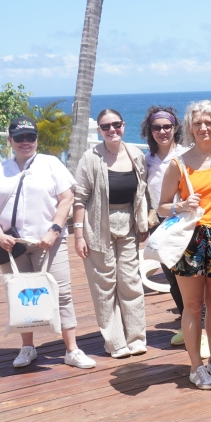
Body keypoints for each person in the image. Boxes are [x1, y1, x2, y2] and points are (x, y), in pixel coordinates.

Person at [0, 117, 95, 370]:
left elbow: (66, 198)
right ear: (9, 140)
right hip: (12, 244)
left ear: (36, 139)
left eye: (30, 137)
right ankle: (27, 348)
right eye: (19, 137)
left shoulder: (50, 164)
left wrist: (54, 230)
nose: (26, 142)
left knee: (62, 294)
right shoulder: (0, 170)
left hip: (49, 242)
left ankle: (72, 350)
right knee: (19, 295)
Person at [159, 101, 211, 390]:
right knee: (193, 306)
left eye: (209, 122)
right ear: (190, 128)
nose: (203, 128)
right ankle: (196, 366)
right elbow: (160, 207)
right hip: (191, 239)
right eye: (198, 123)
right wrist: (179, 205)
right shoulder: (178, 164)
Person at [72, 108, 150, 358]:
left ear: (124, 126)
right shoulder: (91, 158)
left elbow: (141, 193)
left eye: (115, 125)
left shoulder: (135, 154)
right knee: (103, 286)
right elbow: (79, 198)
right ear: (100, 131)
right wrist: (78, 235)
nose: (111, 130)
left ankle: (136, 338)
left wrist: (143, 225)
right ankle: (115, 341)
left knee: (130, 282)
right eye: (106, 127)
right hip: (97, 226)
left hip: (127, 223)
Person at [142, 106, 189, 344]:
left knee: (190, 275)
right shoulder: (146, 160)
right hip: (160, 223)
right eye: (157, 127)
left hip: (185, 222)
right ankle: (186, 324)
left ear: (175, 128)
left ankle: (199, 324)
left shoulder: (186, 154)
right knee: (171, 276)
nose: (162, 131)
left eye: (167, 126)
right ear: (150, 131)